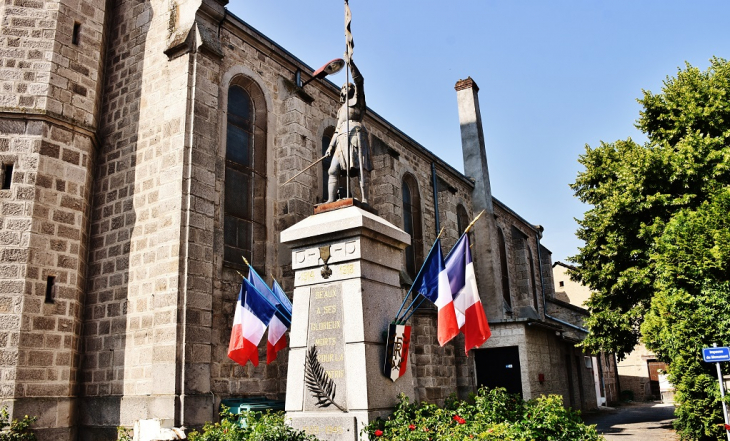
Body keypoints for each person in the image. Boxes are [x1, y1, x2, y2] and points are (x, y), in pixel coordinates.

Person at [324, 59, 371, 204]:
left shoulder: (359, 102)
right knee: (332, 170)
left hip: (356, 136)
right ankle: (331, 200)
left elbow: (359, 81)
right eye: (343, 88)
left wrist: (350, 63)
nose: (345, 88)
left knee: (360, 171)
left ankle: (365, 199)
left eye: (348, 86)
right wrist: (330, 147)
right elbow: (337, 130)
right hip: (341, 140)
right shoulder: (341, 110)